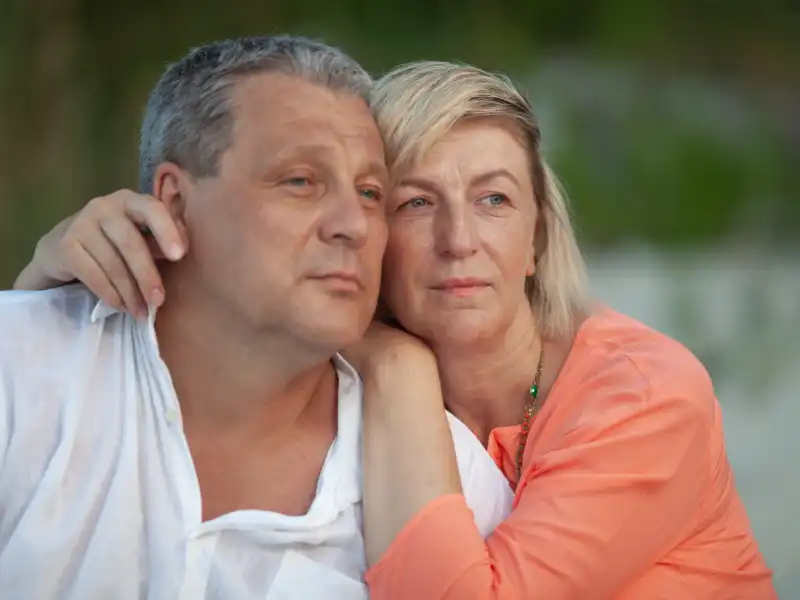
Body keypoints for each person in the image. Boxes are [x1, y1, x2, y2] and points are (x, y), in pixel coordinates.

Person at [15, 60, 777, 600]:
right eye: (413, 202)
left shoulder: (645, 399)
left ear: (539, 239)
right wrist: (55, 275)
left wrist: (394, 364)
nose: (458, 241)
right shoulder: (341, 376)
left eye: (495, 201)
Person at [0, 36, 515, 599]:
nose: (355, 224)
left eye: (371, 193)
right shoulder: (23, 378)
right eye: (300, 181)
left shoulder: (449, 482)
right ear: (174, 203)